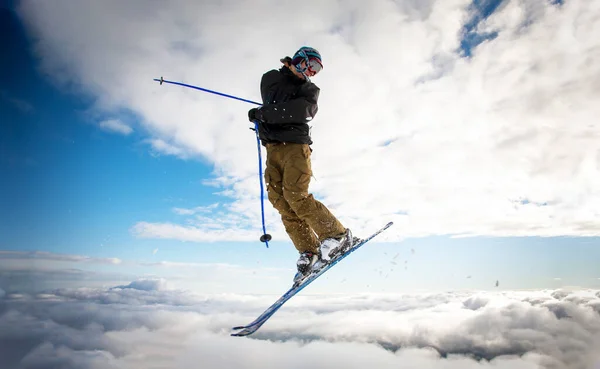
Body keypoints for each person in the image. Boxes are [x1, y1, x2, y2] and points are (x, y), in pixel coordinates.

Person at [248, 46, 353, 283]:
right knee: (281, 201)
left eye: (317, 70)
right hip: (272, 148)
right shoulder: (271, 78)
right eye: (311, 66)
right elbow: (273, 97)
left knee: (296, 195)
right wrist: (260, 115)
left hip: (295, 146)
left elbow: (303, 111)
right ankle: (309, 250)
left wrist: (266, 114)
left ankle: (336, 235)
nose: (312, 73)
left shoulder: (309, 89)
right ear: (299, 59)